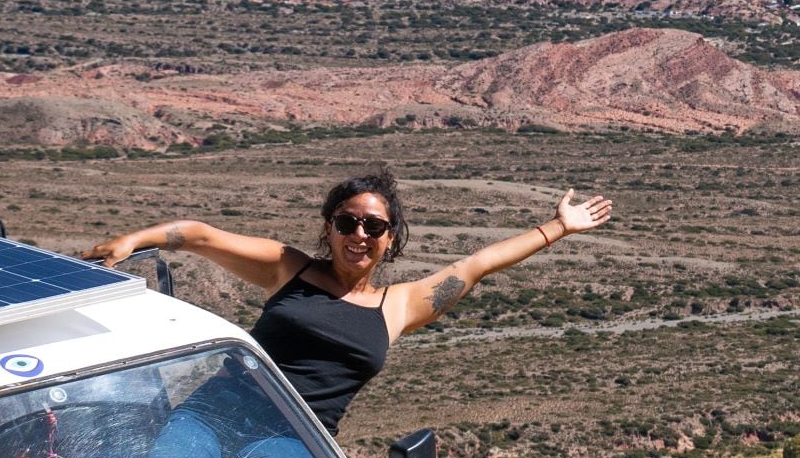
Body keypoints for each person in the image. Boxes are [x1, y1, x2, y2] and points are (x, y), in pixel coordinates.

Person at [96, 170, 616, 436]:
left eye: (374, 226)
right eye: (347, 222)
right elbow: (201, 235)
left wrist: (558, 227)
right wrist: (133, 241)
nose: (359, 233)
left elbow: (478, 263)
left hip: (299, 441)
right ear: (330, 228)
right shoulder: (289, 267)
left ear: (391, 238)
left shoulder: (400, 305)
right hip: (215, 414)